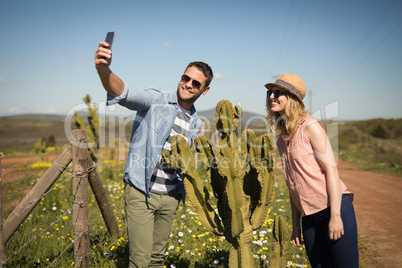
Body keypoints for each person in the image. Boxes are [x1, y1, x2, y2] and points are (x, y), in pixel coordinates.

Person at [94, 40, 213, 267]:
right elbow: (125, 94)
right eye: (185, 78)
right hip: (142, 192)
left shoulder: (196, 123)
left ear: (204, 90)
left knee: (157, 260)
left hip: (170, 197)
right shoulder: (157, 100)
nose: (187, 84)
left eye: (195, 83)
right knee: (140, 261)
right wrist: (104, 70)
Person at [264, 73, 359, 267]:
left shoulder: (310, 126)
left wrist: (335, 216)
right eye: (269, 92)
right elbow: (293, 186)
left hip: (332, 208)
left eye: (277, 92)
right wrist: (296, 224)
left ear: (292, 99)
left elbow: (331, 171)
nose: (271, 96)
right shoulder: (282, 139)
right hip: (308, 218)